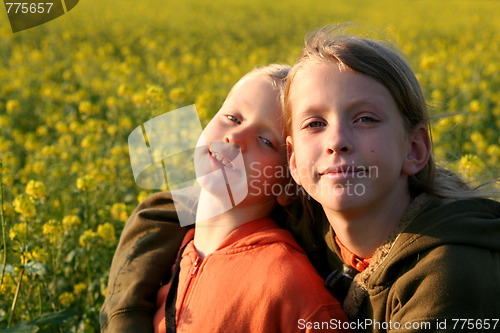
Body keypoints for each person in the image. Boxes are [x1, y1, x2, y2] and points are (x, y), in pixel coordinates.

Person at [101, 64, 351, 332]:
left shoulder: (287, 282)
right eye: (232, 118)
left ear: (287, 189)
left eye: (266, 141)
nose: (236, 137)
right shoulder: (172, 253)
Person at [284, 25, 500, 331]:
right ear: (293, 159)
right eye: (315, 123)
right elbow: (193, 211)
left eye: (365, 119)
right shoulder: (305, 225)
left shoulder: (449, 273)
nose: (337, 140)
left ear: (414, 149)